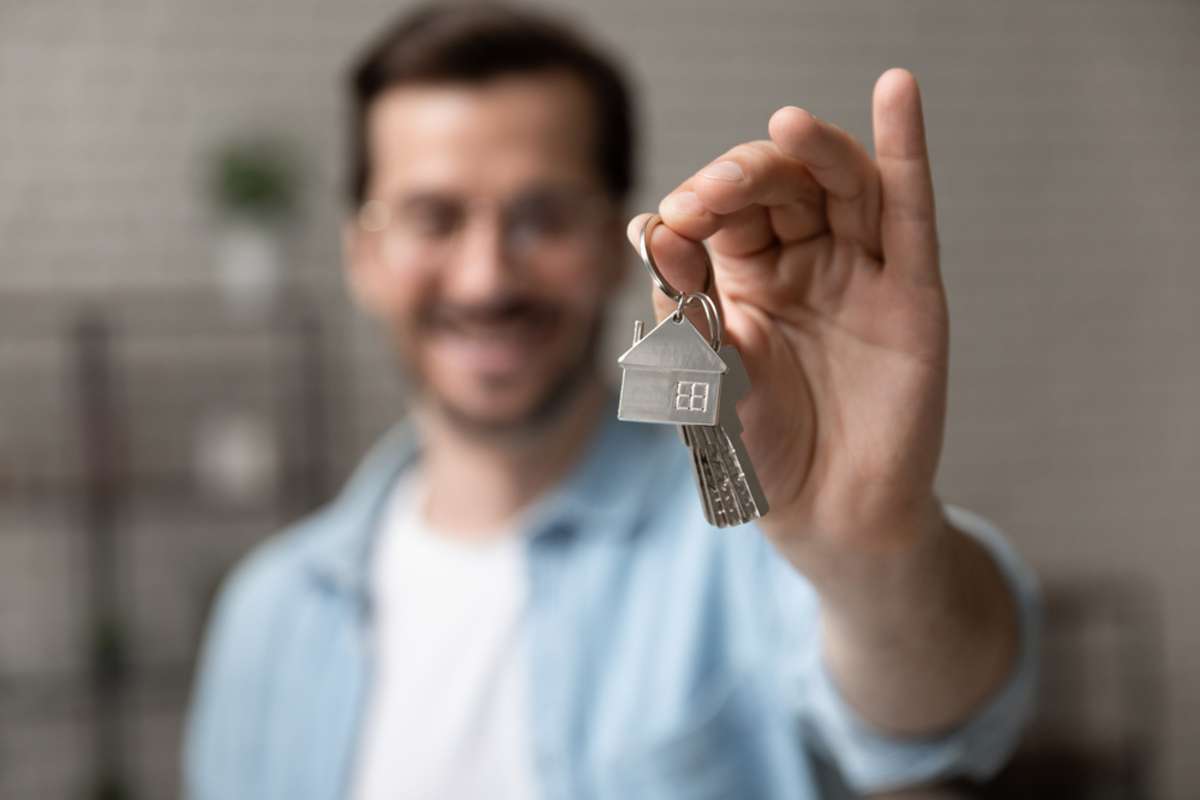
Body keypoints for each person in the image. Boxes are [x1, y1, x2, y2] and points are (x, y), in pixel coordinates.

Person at [183, 4, 1038, 799]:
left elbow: (939, 719)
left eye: (544, 216)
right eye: (433, 218)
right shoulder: (269, 615)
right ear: (362, 254)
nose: (485, 279)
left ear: (610, 240)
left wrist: (870, 554)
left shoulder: (752, 542)